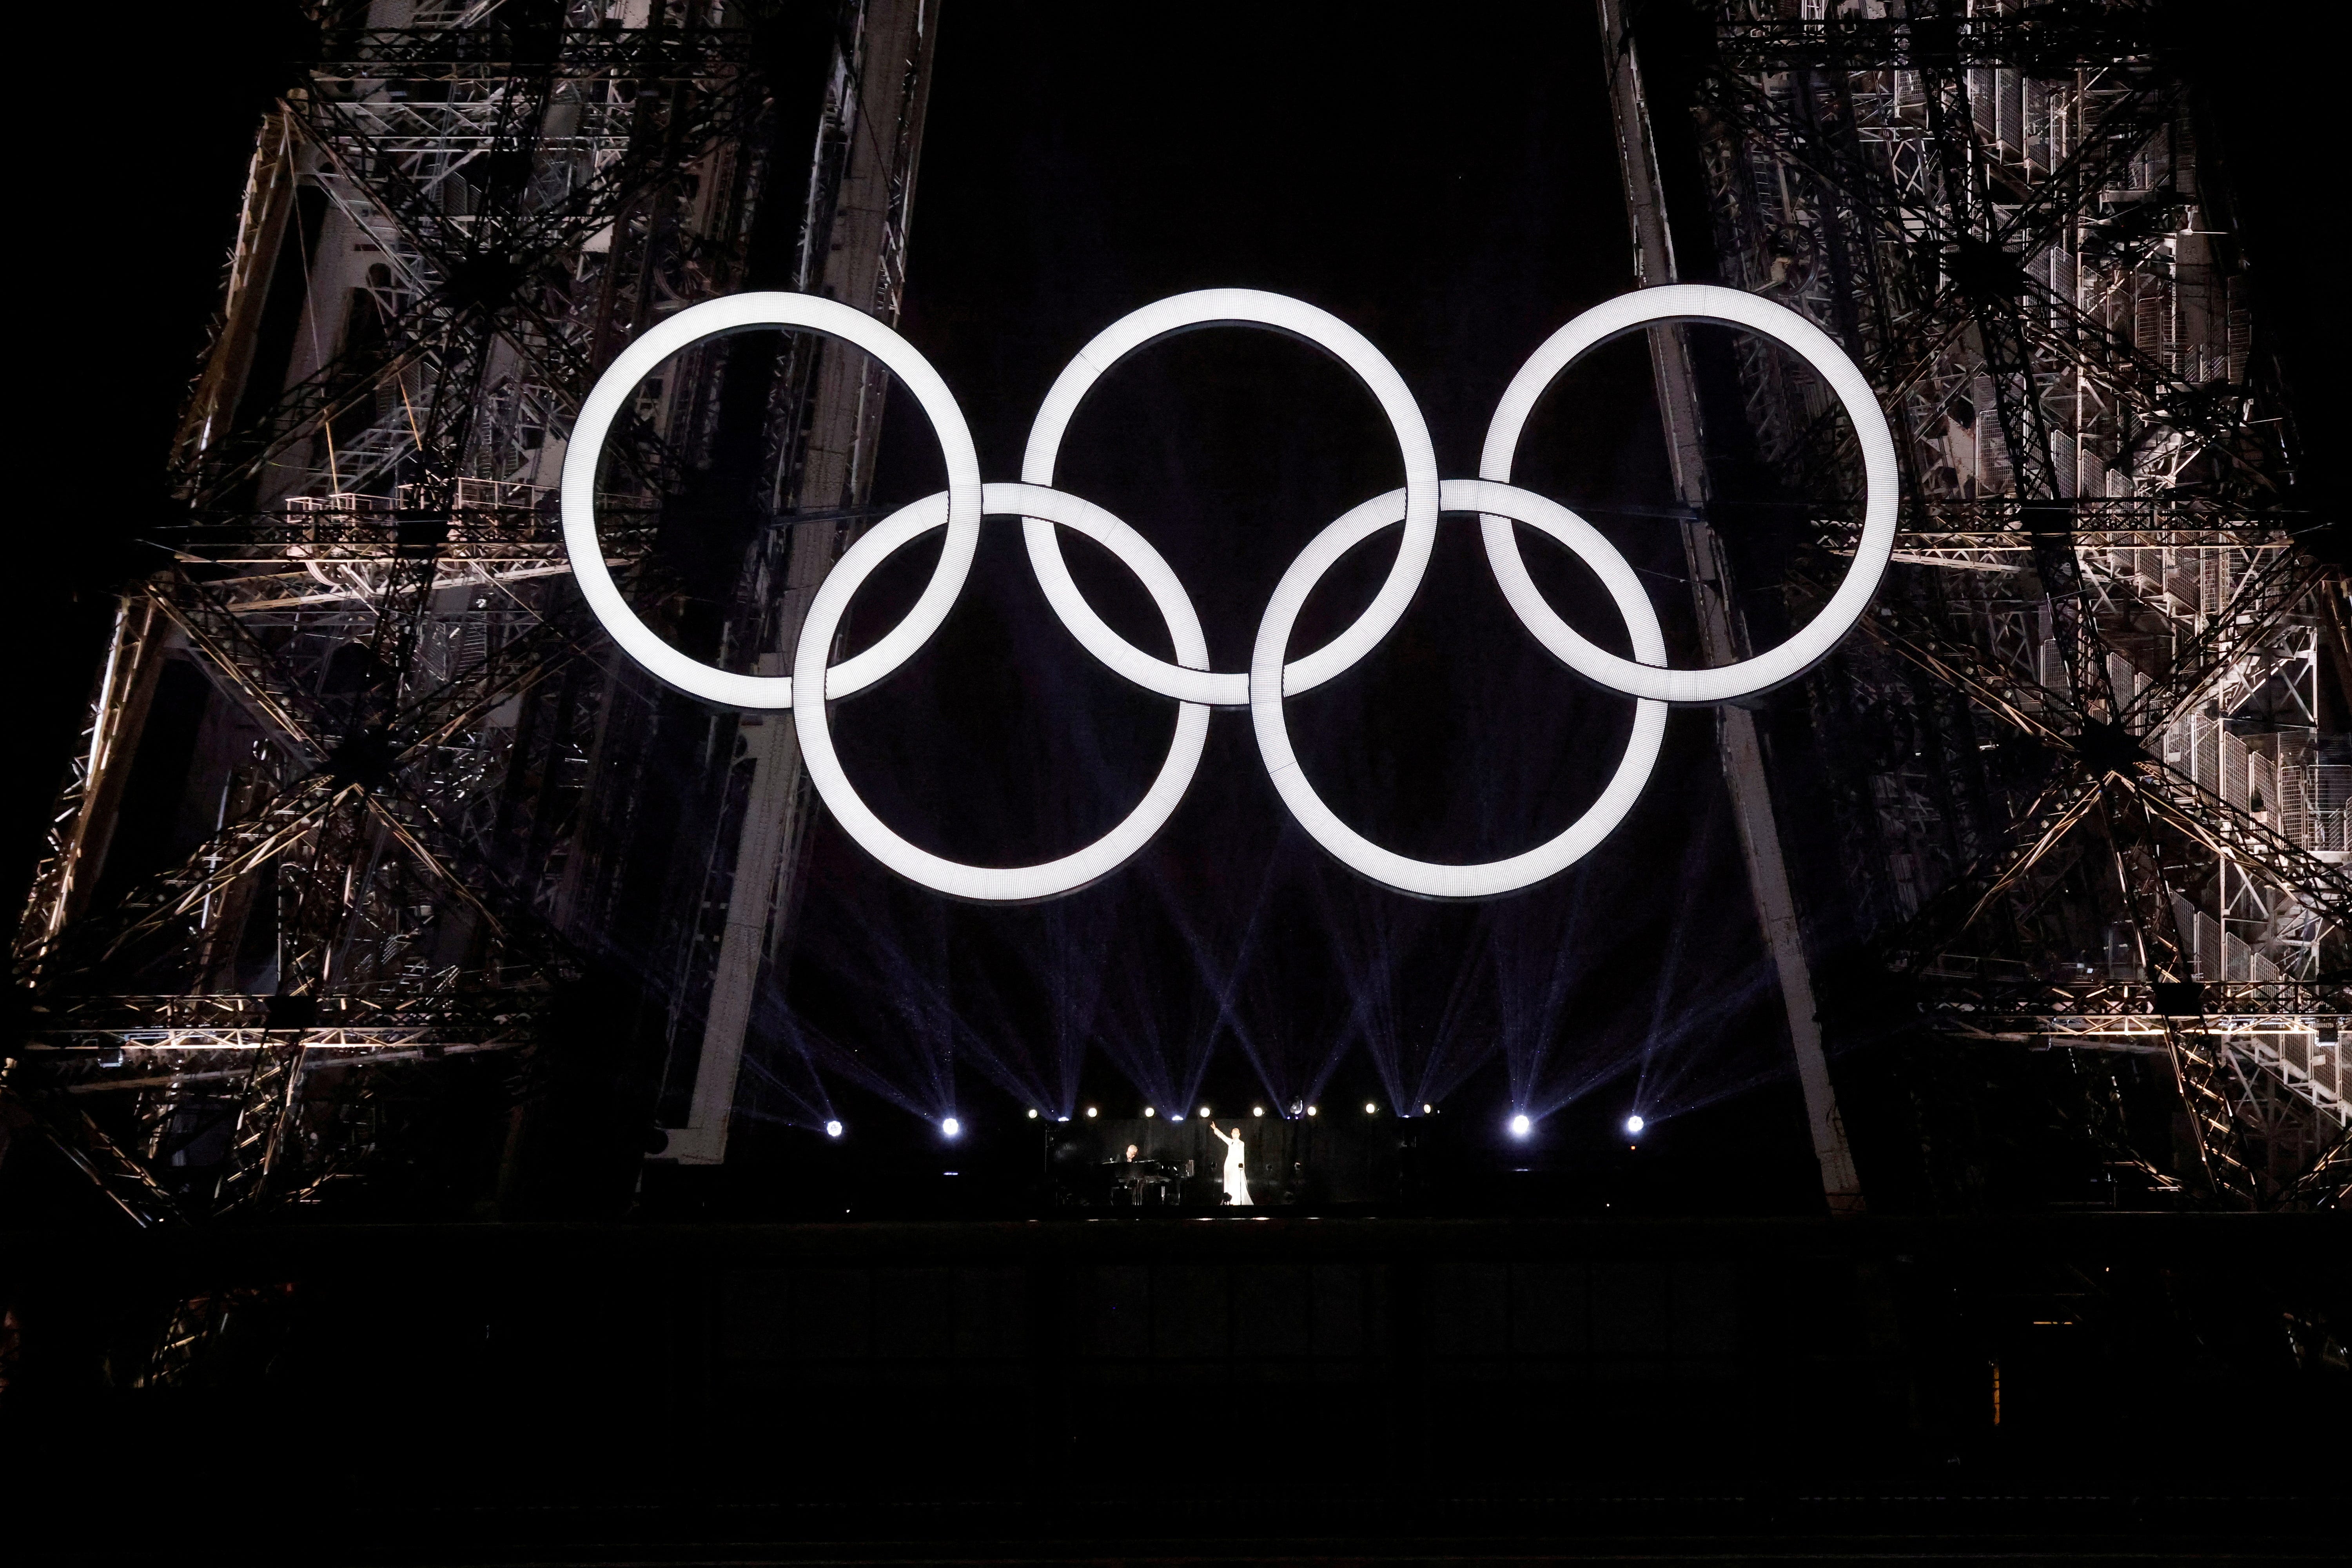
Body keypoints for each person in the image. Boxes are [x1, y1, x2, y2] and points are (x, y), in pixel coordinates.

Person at [1206, 1121, 1252, 1207]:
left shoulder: (1241, 1143)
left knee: (1236, 1183)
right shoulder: (1230, 1142)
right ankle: (1228, 1200)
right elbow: (1223, 1136)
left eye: (1237, 1133)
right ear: (1232, 1134)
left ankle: (1237, 1201)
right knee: (1229, 1183)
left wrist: (1241, 1167)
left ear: (1239, 1134)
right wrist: (1216, 1129)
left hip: (1236, 1166)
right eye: (1234, 1133)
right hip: (1229, 1165)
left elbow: (1241, 1155)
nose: (1235, 1135)